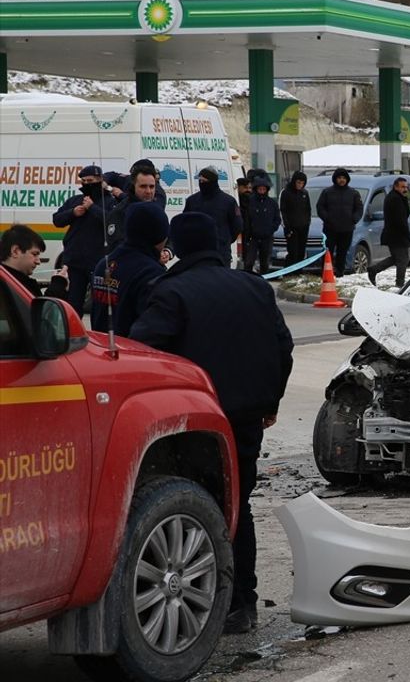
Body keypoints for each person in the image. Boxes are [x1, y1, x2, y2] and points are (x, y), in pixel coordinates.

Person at [129, 212, 294, 635]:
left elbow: (145, 352)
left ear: (178, 246)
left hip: (195, 423)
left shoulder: (170, 291)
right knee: (239, 505)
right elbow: (283, 345)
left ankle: (208, 604)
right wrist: (270, 400)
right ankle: (242, 605)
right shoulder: (254, 285)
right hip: (246, 417)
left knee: (197, 508)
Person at [89, 204, 168, 337]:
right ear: (158, 235)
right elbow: (154, 330)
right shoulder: (151, 273)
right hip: (131, 353)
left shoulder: (104, 264)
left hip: (101, 349)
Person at [50, 164, 108, 315]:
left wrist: (93, 208)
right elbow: (57, 220)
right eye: (84, 181)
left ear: (100, 180)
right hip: (75, 261)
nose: (87, 184)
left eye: (91, 181)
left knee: (99, 306)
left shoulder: (109, 201)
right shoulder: (75, 200)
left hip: (99, 261)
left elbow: (112, 222)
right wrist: (73, 213)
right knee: (73, 305)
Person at [184, 167, 243, 268]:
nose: (202, 183)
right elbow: (185, 223)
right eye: (200, 180)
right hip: (197, 254)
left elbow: (237, 225)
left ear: (213, 182)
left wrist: (224, 240)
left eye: (204, 181)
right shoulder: (192, 201)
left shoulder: (228, 202)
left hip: (220, 255)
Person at [103, 166, 164, 254]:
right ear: (133, 186)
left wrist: (167, 251)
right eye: (143, 186)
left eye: (151, 187)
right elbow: (117, 247)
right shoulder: (120, 212)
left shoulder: (156, 210)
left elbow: (167, 234)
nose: (148, 191)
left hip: (153, 264)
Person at [1, 224, 69, 299]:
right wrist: (58, 285)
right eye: (34, 254)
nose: (38, 261)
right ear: (15, 251)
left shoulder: (12, 281)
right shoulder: (13, 286)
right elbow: (40, 309)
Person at [316, 168, 363, 275]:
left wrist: (353, 219)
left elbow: (359, 208)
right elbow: (320, 207)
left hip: (347, 229)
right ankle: (326, 274)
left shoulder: (353, 193)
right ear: (335, 179)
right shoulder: (327, 192)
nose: (341, 180)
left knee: (342, 253)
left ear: (347, 179)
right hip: (330, 229)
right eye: (339, 178)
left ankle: (340, 273)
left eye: (343, 178)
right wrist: (327, 218)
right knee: (328, 252)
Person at [366, 176, 410, 287]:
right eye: (402, 187)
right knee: (402, 260)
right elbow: (400, 219)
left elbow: (405, 214)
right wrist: (406, 234)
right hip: (397, 235)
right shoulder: (395, 199)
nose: (405, 189)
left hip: (395, 235)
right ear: (396, 187)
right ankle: (400, 284)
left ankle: (374, 270)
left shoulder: (398, 197)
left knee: (396, 259)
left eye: (406, 187)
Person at [242, 176, 281, 275]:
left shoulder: (272, 203)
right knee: (249, 262)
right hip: (253, 238)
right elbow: (246, 220)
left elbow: (277, 219)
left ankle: (263, 282)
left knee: (265, 263)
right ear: (256, 189)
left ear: (267, 190)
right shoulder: (250, 202)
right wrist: (247, 235)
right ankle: (248, 281)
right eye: (260, 189)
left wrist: (271, 230)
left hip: (267, 238)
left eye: (264, 189)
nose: (262, 191)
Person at [280, 171, 312, 266]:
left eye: (302, 183)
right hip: (291, 228)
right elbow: (282, 211)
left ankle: (299, 271)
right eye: (298, 182)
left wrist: (307, 222)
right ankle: (289, 271)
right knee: (293, 252)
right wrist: (287, 227)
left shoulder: (305, 193)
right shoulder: (286, 192)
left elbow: (308, 209)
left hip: (303, 227)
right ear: (294, 181)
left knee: (301, 252)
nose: (300, 185)